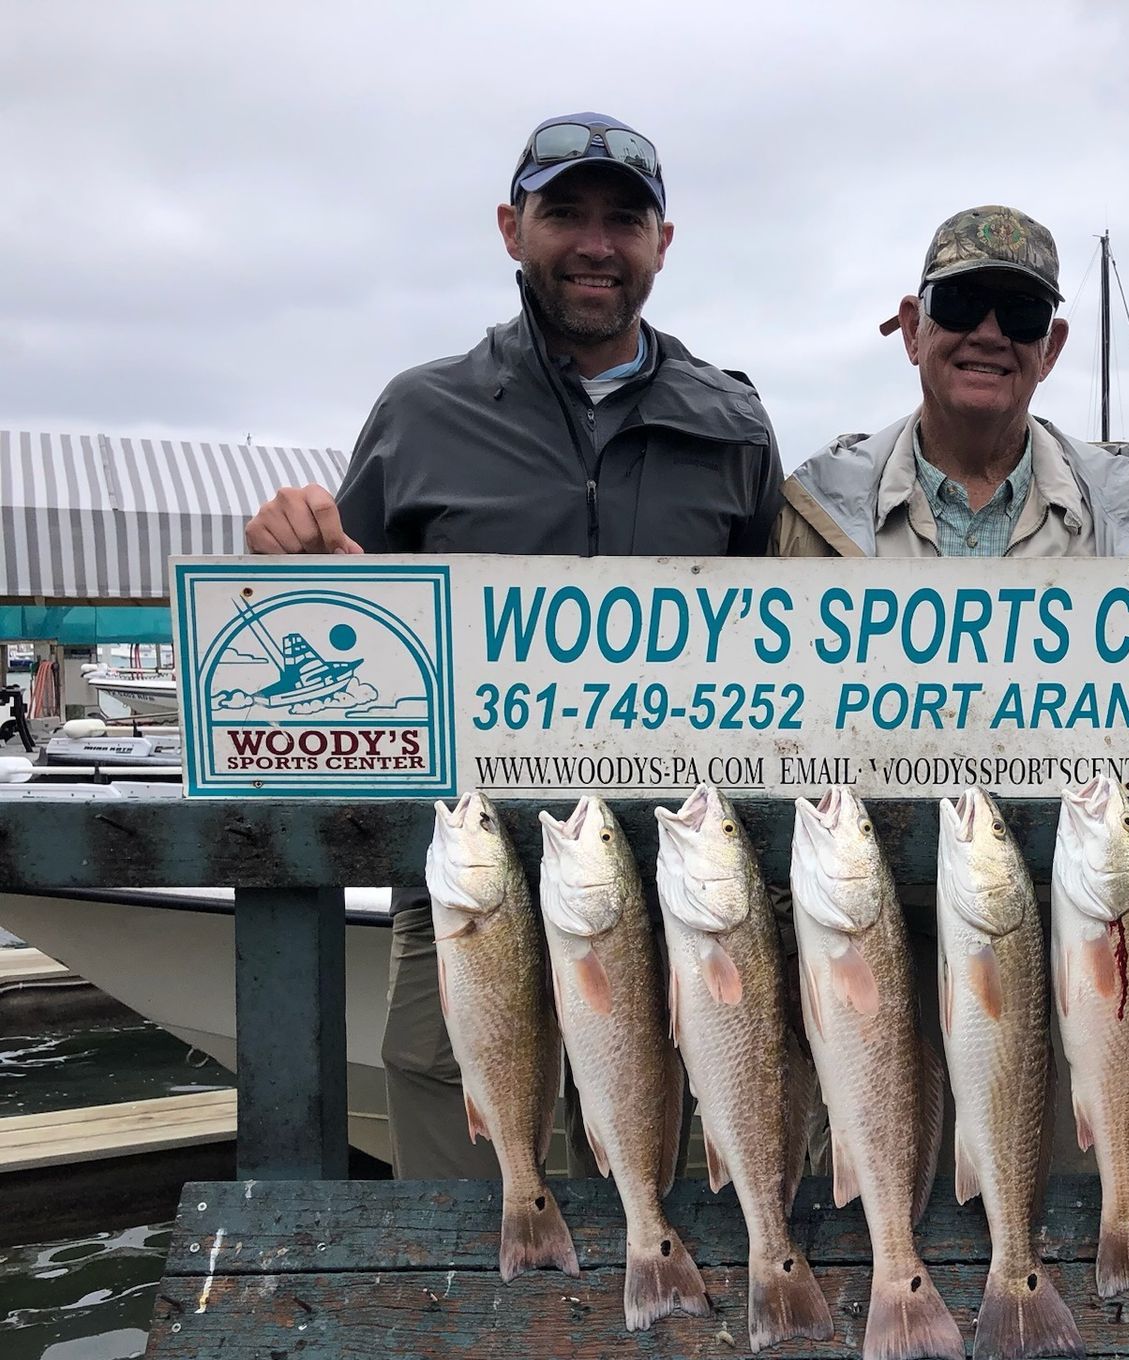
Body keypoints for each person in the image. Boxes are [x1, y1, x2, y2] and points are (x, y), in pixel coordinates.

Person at [244, 112, 783, 1179]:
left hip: (676, 905)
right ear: (510, 228)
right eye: (564, 214)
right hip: (467, 895)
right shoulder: (419, 413)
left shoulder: (734, 426)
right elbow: (341, 632)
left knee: (661, 1205)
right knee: (465, 1219)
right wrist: (290, 558)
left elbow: (768, 662)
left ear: (661, 244)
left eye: (622, 219)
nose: (595, 243)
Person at [775, 205, 1129, 1173]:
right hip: (873, 941)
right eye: (964, 304)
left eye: (1019, 310)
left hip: (1079, 942)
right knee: (871, 1212)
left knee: (1097, 1215)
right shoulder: (815, 508)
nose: (990, 333)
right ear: (913, 326)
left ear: (1053, 346)